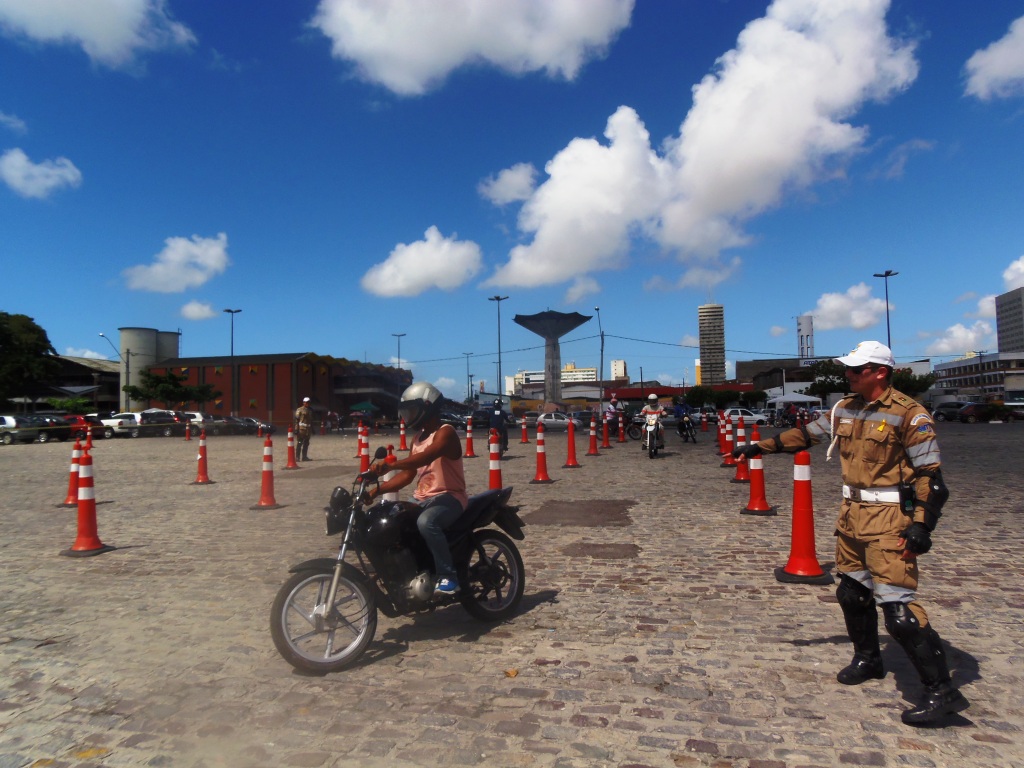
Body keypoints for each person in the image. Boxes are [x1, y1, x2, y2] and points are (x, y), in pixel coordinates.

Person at [733, 341, 967, 727]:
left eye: (857, 370)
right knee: (852, 593)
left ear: (880, 372)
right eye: (849, 370)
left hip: (890, 517)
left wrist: (923, 524)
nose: (849, 375)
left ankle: (942, 692)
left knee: (900, 612)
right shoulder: (846, 408)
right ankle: (869, 658)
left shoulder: (910, 414)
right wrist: (760, 446)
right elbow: (807, 434)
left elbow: (931, 478)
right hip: (852, 514)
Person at [368, 382, 466, 595]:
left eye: (412, 411)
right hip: (422, 498)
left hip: (450, 497)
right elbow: (408, 475)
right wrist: (377, 491)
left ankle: (449, 576)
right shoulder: (416, 439)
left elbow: (429, 455)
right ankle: (412, 571)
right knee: (391, 521)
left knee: (426, 522)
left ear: (428, 408)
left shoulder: (445, 432)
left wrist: (392, 464)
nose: (409, 416)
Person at [294, 397, 314, 461]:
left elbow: (311, 420)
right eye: (305, 402)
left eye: (308, 402)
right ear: (303, 402)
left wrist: (312, 429)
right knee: (300, 442)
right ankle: (297, 457)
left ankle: (304, 457)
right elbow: (297, 420)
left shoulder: (310, 410)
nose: (307, 403)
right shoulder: (299, 410)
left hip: (308, 429)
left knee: (306, 443)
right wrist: (296, 429)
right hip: (301, 429)